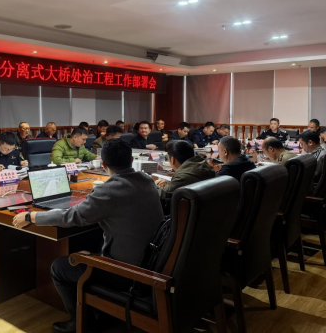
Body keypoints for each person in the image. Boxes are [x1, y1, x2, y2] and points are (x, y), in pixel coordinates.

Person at [13, 139, 164, 333]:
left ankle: (81, 323)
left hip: (127, 272)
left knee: (60, 267)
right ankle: (96, 310)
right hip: (152, 262)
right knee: (91, 242)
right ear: (131, 160)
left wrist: (32, 216)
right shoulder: (146, 180)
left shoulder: (110, 191)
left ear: (103, 164)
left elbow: (73, 216)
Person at [155, 140, 215, 214]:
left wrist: (155, 185)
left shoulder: (183, 177)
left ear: (172, 159)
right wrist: (169, 183)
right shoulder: (203, 165)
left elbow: (163, 195)